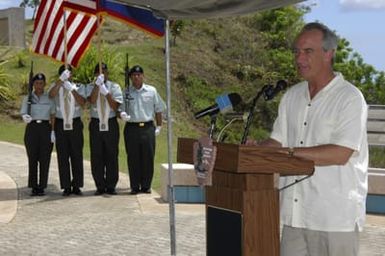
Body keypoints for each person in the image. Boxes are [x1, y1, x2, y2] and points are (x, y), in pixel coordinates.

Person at [250, 22, 368, 256]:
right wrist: (255, 151)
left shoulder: (350, 98)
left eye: (308, 51)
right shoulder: (292, 96)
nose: (299, 58)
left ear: (329, 54)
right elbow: (278, 142)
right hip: (294, 215)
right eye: (296, 51)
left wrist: (290, 153)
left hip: (333, 218)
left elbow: (340, 153)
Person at [120, 65, 165, 195]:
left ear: (143, 76)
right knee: (133, 157)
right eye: (133, 75)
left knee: (148, 157)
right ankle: (134, 186)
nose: (136, 77)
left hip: (147, 127)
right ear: (130, 77)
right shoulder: (126, 92)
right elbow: (121, 109)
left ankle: (146, 186)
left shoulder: (151, 91)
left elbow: (158, 109)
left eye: (139, 75)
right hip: (132, 128)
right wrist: (122, 114)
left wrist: (159, 126)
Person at [48, 65, 86, 196]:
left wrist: (73, 90)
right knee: (63, 156)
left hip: (75, 123)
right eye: (65, 74)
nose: (68, 76)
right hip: (60, 123)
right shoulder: (56, 86)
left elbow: (83, 103)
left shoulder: (79, 86)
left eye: (69, 73)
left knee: (76, 154)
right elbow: (50, 95)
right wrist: (60, 81)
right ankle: (66, 186)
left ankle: (77, 185)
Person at [87, 63, 123, 195]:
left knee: (112, 154)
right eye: (98, 73)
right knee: (97, 155)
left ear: (107, 73)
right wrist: (97, 86)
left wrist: (106, 92)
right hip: (96, 123)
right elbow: (91, 100)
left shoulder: (115, 86)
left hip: (110, 123)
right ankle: (100, 185)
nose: (101, 74)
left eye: (104, 72)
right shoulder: (91, 86)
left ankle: (111, 185)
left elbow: (115, 107)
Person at [20, 73, 55, 196]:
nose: (39, 85)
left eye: (41, 83)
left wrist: (53, 131)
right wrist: (25, 117)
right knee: (33, 158)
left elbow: (52, 115)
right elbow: (23, 112)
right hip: (32, 128)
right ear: (33, 84)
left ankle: (42, 186)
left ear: (44, 84)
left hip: (46, 128)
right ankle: (34, 186)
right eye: (37, 83)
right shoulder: (28, 98)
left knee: (45, 158)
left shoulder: (49, 98)